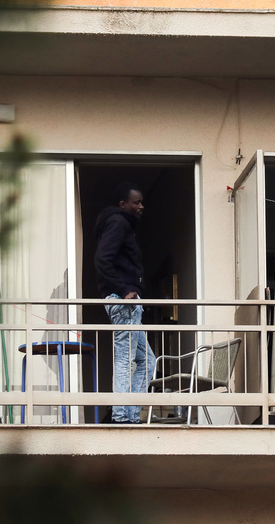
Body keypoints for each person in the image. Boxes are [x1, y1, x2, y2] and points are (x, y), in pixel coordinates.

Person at [94, 180, 156, 424]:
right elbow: (102, 259)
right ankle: (121, 417)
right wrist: (124, 290)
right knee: (125, 358)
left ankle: (131, 415)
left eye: (142, 202)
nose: (141, 206)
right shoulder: (118, 222)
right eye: (136, 202)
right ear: (123, 204)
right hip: (123, 302)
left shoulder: (121, 224)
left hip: (128, 302)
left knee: (147, 361)